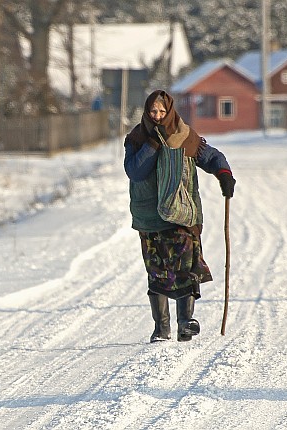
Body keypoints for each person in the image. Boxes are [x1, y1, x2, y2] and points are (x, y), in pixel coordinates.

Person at [123, 89, 235, 342]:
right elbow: (135, 172)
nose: (158, 116)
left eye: (162, 111)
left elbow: (213, 157)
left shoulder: (184, 136)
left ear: (170, 111)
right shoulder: (137, 138)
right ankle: (161, 329)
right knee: (157, 270)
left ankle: (186, 322)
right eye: (153, 111)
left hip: (182, 214)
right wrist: (154, 143)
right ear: (147, 112)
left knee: (186, 266)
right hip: (150, 218)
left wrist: (224, 175)